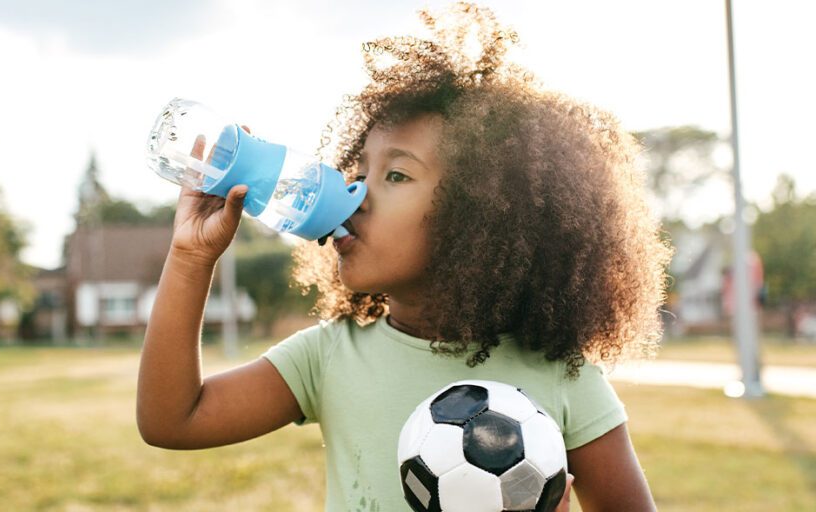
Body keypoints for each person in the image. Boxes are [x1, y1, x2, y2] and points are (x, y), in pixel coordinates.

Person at [137, 3, 669, 511]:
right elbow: (173, 420)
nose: (357, 193)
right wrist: (191, 257)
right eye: (361, 170)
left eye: (396, 175)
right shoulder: (329, 358)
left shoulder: (562, 378)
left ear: (479, 215)